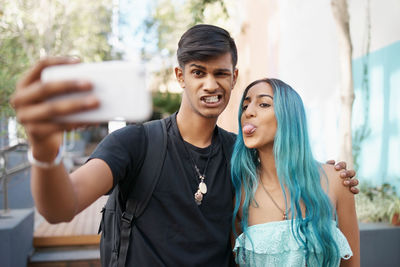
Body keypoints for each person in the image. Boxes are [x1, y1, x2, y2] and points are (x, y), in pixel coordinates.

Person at [10, 24, 358, 266]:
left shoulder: (242, 155)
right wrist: (44, 150)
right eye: (198, 72)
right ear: (180, 76)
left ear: (234, 77)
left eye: (221, 73)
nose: (211, 84)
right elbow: (61, 208)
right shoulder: (135, 143)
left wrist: (329, 178)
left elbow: (283, 178)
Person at [231, 78, 360, 266]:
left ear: (289, 115)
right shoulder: (240, 193)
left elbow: (353, 263)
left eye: (264, 104)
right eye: (244, 106)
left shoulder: (336, 181)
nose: (248, 112)